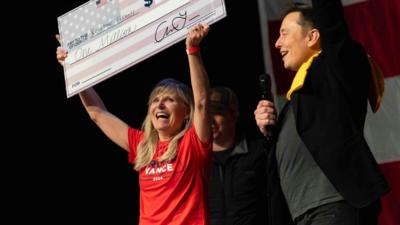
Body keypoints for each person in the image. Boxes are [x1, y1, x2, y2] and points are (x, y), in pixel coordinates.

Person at [57, 24, 213, 225]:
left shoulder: (193, 144)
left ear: (186, 113)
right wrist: (73, 69)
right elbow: (97, 113)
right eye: (156, 100)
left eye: (169, 100)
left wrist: (192, 49)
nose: (160, 104)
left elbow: (201, 102)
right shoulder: (142, 145)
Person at [254, 1, 390, 225]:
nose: (277, 43)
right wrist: (271, 134)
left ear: (313, 37)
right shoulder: (297, 98)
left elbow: (332, 23)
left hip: (334, 207)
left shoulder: (336, 70)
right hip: (302, 215)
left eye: (284, 34)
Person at [207, 86, 268, 225]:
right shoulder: (197, 160)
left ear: (233, 115)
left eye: (216, 113)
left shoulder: (259, 151)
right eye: (205, 114)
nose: (209, 120)